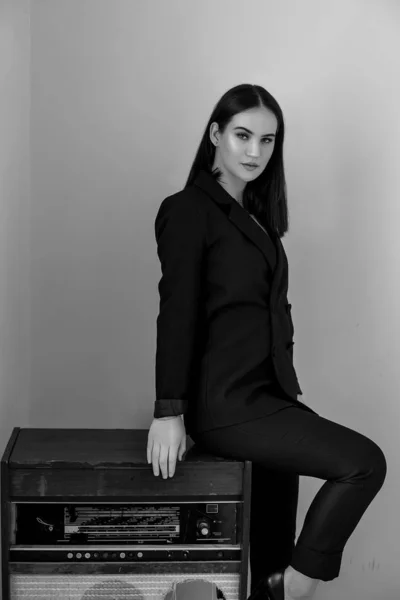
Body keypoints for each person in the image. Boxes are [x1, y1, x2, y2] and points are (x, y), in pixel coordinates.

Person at [146, 83, 387, 600]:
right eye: (242, 135)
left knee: (269, 549)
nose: (255, 152)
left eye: (268, 140)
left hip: (270, 398)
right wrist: (170, 411)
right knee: (365, 463)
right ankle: (294, 587)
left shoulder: (258, 219)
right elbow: (177, 314)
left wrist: (285, 392)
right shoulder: (188, 209)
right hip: (229, 406)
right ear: (215, 134)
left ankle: (273, 584)